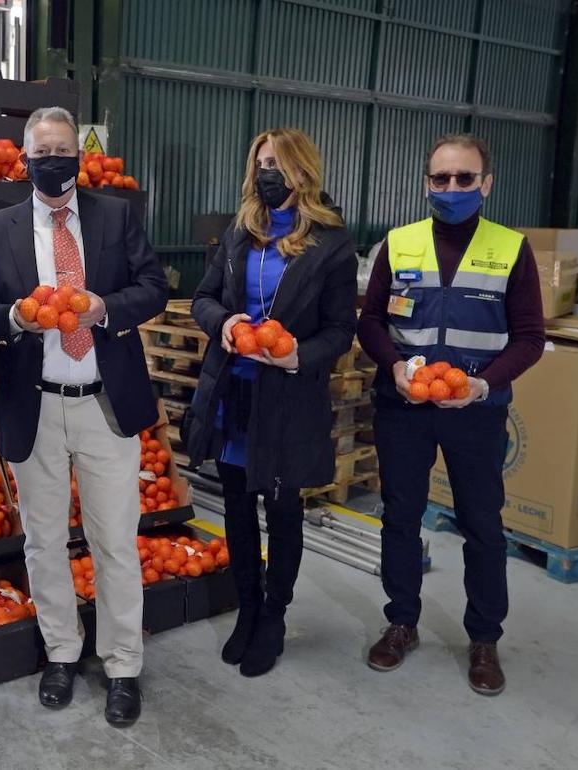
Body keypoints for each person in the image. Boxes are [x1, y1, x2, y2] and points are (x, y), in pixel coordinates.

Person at [0, 107, 167, 727]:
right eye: (42, 152)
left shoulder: (115, 216)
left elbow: (154, 286)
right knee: (44, 541)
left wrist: (106, 308)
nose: (54, 161)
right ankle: (62, 651)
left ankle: (123, 663)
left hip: (105, 403)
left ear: (79, 155)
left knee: (115, 541)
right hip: (36, 404)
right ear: (24, 158)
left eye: (64, 150)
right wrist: (15, 317)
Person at [357, 133, 545, 696]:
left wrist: (483, 385)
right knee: (400, 516)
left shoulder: (511, 249)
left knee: (482, 524)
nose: (452, 188)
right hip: (405, 407)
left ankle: (484, 638)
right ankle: (401, 622)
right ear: (426, 183)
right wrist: (394, 366)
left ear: (486, 184)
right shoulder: (399, 243)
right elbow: (370, 322)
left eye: (465, 178)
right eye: (441, 178)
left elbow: (530, 338)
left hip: (476, 412)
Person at [185, 129, 357, 677]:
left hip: (285, 399)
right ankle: (248, 608)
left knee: (282, 512)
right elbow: (202, 298)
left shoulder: (331, 243)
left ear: (303, 173)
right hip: (232, 393)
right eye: (262, 163)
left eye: (280, 165)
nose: (269, 174)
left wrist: (298, 356)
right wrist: (225, 322)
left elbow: (340, 329)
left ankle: (275, 616)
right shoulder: (242, 231)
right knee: (235, 508)